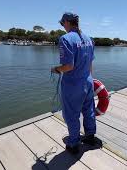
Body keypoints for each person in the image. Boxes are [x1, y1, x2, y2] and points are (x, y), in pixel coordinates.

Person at [51, 12, 96, 154]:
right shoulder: (89, 39)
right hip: (88, 81)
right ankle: (89, 137)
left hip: (73, 84)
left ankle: (74, 144)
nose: (62, 26)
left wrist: (56, 69)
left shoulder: (65, 39)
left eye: (62, 23)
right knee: (89, 110)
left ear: (67, 22)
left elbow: (68, 66)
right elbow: (90, 64)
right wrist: (90, 79)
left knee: (71, 114)